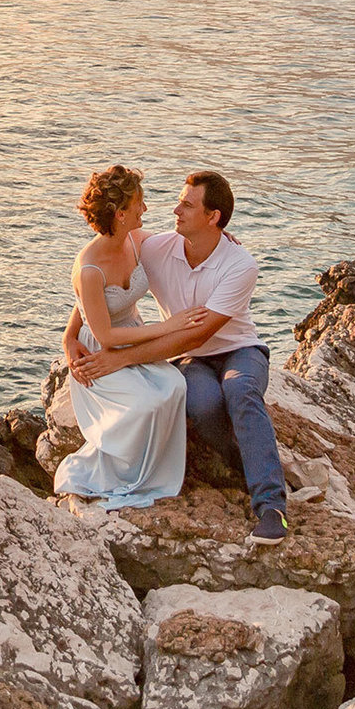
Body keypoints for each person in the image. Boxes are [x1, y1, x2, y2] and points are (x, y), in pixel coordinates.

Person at [134, 170, 291, 547]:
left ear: (213, 216)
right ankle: (250, 465)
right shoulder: (156, 249)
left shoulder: (240, 265)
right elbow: (101, 254)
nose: (175, 210)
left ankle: (272, 506)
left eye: (187, 204)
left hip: (240, 350)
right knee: (203, 404)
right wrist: (73, 333)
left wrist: (124, 358)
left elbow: (200, 332)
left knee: (240, 390)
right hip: (192, 359)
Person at [50, 166, 187, 508]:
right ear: (120, 213)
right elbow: (105, 333)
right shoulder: (89, 267)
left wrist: (224, 239)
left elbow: (182, 242)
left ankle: (154, 474)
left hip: (135, 338)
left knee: (176, 387)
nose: (146, 209)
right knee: (146, 403)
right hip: (101, 353)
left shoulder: (134, 240)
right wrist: (170, 327)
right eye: (140, 203)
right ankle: (118, 475)